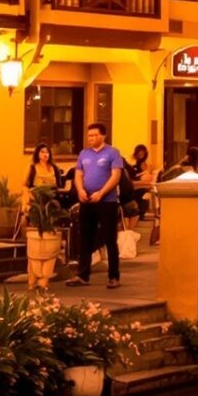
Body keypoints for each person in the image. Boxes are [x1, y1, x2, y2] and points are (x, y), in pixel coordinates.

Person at [67, 123, 126, 288]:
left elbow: (115, 176)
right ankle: (83, 275)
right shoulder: (84, 154)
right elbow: (79, 174)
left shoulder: (112, 153)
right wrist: (80, 190)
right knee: (85, 238)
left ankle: (114, 276)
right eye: (89, 135)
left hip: (107, 202)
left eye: (94, 135)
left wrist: (101, 193)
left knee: (109, 239)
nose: (91, 138)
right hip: (87, 201)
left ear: (103, 136)